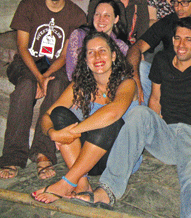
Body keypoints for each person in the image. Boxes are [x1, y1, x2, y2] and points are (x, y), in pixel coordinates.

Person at [75, 18, 191, 218]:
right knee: (139, 113)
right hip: (168, 135)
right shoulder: (162, 60)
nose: (181, 45)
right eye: (178, 38)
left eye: (188, 40)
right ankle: (107, 191)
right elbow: (154, 99)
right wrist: (147, 132)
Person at [0, 0, 86, 181]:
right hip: (26, 63)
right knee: (25, 87)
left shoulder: (75, 15)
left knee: (57, 86)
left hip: (55, 67)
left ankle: (43, 153)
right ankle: (13, 156)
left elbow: (64, 56)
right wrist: (38, 76)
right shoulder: (28, 5)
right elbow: (22, 46)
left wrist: (45, 77)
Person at [31, 32, 138, 204]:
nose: (97, 57)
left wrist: (72, 131)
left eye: (102, 51)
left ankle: (67, 182)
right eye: (91, 52)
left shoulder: (127, 83)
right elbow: (47, 116)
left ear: (113, 55)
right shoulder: (80, 86)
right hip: (87, 159)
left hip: (116, 158)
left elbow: (113, 113)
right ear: (86, 61)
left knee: (109, 120)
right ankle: (82, 182)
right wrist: (53, 133)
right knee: (59, 113)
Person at [66, 0, 128, 80]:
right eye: (97, 14)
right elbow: (72, 72)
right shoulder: (79, 35)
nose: (101, 19)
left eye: (107, 15)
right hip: (81, 84)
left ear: (116, 19)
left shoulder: (121, 47)